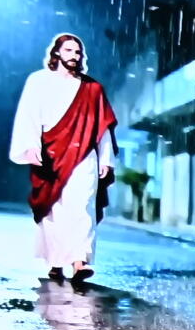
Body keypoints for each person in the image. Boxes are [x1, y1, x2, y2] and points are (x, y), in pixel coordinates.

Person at [6, 32, 116, 287]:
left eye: (78, 52)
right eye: (69, 51)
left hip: (84, 155)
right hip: (51, 154)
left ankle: (80, 261)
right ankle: (55, 261)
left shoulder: (92, 89)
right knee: (55, 209)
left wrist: (105, 159)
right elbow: (29, 117)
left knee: (83, 206)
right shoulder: (39, 82)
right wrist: (31, 147)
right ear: (57, 53)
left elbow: (103, 128)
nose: (74, 56)